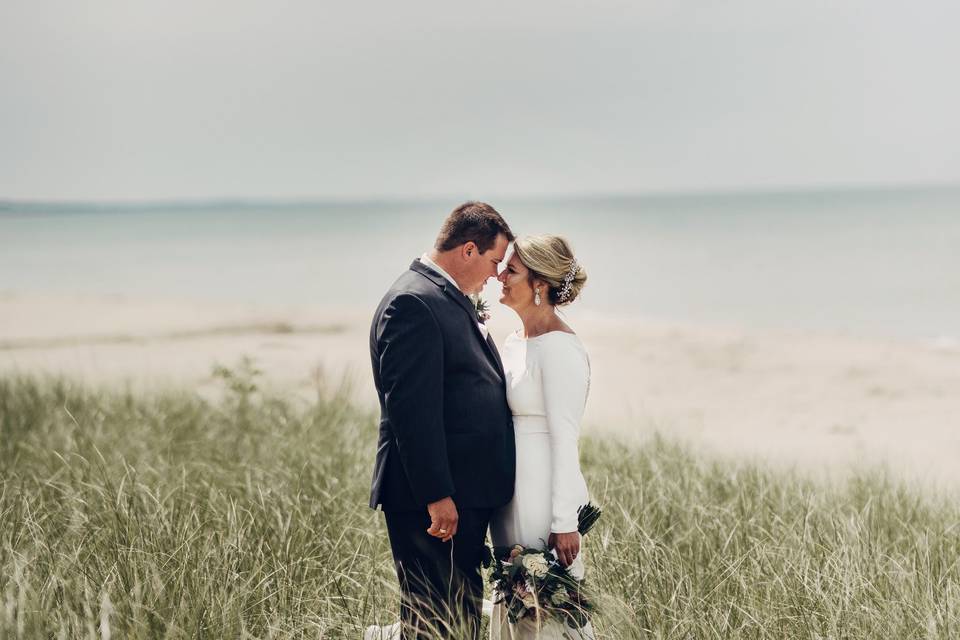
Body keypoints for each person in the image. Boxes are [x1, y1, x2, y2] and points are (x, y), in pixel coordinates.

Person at [368, 202, 516, 640]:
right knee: (436, 621)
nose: (494, 275)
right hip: (432, 504)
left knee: (457, 617)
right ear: (469, 250)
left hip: (459, 496)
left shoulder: (440, 295)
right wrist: (437, 495)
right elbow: (412, 412)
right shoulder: (414, 302)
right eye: (493, 261)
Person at [490, 234, 596, 640]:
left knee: (545, 613)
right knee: (514, 605)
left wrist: (563, 520)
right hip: (509, 499)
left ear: (539, 284)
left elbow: (564, 439)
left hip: (543, 502)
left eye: (511, 270)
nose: (500, 275)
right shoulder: (514, 342)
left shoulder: (560, 349)